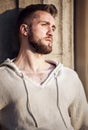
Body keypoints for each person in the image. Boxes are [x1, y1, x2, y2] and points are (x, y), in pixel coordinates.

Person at [0, 4, 88, 130]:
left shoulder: (69, 77)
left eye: (53, 27)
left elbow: (84, 125)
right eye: (44, 25)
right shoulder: (3, 78)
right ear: (25, 30)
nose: (51, 32)